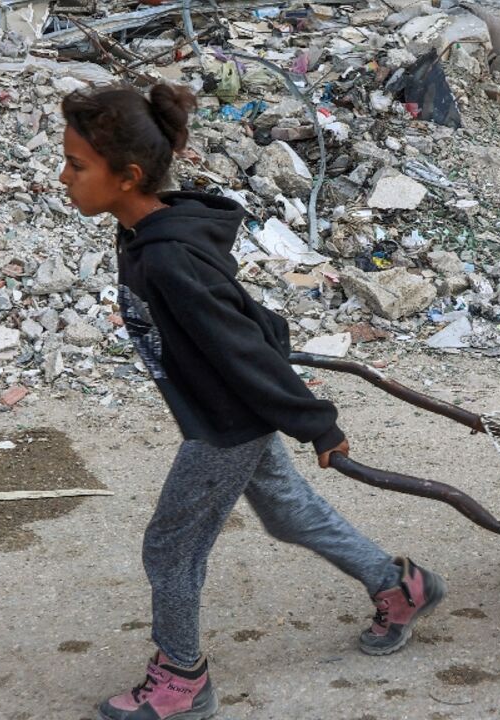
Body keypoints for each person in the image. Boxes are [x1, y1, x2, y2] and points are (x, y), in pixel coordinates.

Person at [59, 83, 445, 720]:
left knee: (170, 548)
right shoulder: (151, 233)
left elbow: (242, 347)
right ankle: (400, 587)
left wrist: (316, 422)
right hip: (228, 407)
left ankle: (182, 678)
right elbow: (244, 319)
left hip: (226, 424)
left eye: (76, 166)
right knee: (287, 512)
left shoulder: (169, 257)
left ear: (127, 177)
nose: (64, 178)